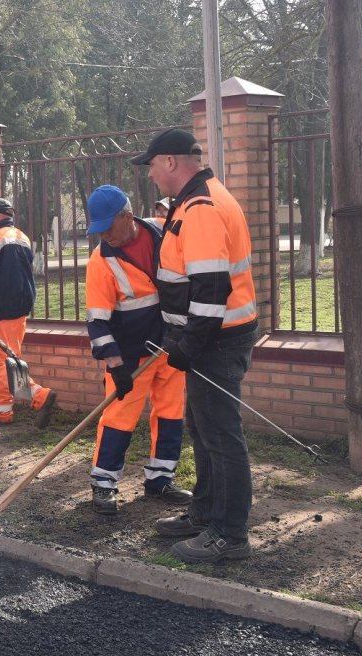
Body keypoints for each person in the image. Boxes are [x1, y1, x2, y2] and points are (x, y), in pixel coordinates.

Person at [132, 128, 259, 563]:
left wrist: (190, 343)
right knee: (203, 432)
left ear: (170, 161)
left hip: (217, 341)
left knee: (221, 437)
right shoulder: (195, 200)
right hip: (210, 337)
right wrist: (178, 334)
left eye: (151, 165)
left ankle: (230, 535)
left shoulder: (201, 206)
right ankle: (204, 513)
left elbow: (210, 287)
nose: (151, 175)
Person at [83, 185, 190, 515]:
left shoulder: (160, 231)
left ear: (127, 216)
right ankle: (103, 483)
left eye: (107, 227)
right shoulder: (102, 261)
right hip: (130, 355)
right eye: (97, 228)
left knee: (171, 412)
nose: (104, 235)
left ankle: (160, 478)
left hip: (171, 345)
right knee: (119, 417)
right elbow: (97, 321)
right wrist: (115, 365)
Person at [0, 198, 56, 427]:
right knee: (7, 358)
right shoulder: (22, 237)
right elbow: (12, 271)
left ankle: (39, 395)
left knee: (0, 362)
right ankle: (2, 410)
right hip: (21, 305)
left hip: (1, 308)